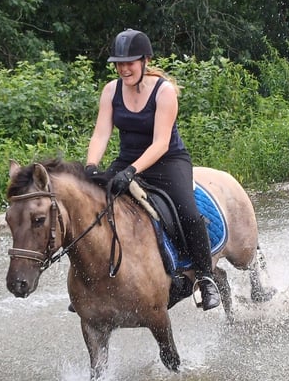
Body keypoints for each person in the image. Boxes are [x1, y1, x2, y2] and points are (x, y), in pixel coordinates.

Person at [84, 28, 221, 311]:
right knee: (96, 206)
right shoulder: (111, 91)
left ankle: (206, 278)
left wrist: (132, 171)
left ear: (145, 61)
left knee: (189, 212)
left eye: (129, 63)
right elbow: (100, 134)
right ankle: (96, 278)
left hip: (168, 161)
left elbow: (160, 143)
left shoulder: (164, 91)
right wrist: (91, 166)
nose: (123, 69)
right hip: (127, 161)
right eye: (119, 64)